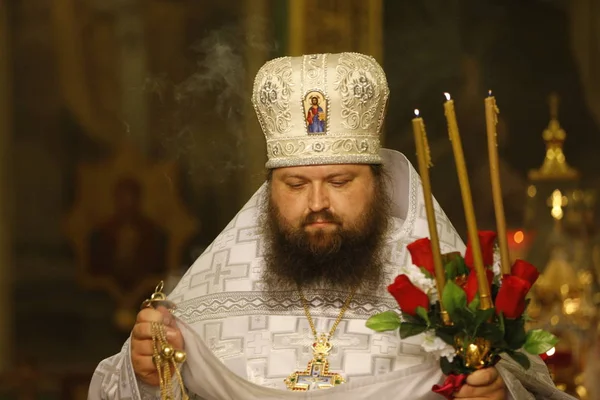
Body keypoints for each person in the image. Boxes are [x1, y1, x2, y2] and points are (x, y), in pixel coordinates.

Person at [89, 53, 574, 399]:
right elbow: (127, 389)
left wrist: (497, 392)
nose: (317, 203)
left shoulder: (445, 287)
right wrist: (148, 374)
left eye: (340, 181)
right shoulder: (215, 291)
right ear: (270, 189)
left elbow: (529, 383)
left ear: (378, 182)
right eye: (295, 184)